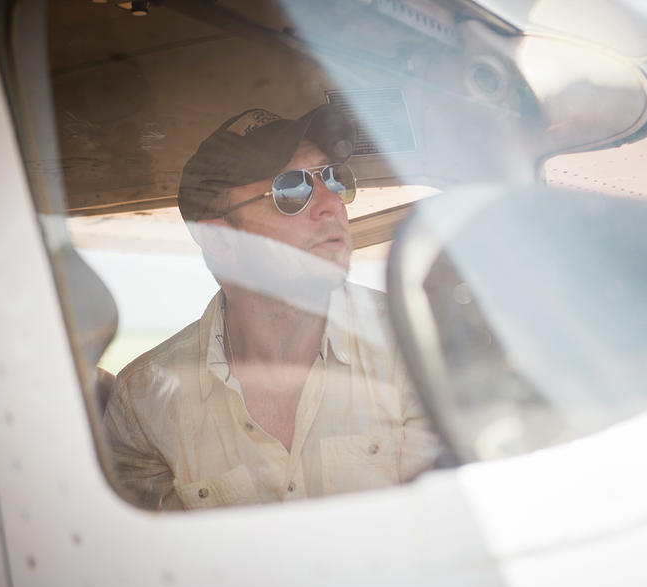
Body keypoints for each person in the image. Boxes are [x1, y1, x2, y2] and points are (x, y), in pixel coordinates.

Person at [103, 105, 443, 510]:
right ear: (221, 240)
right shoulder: (144, 399)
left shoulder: (417, 345)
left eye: (334, 178)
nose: (331, 204)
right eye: (292, 189)